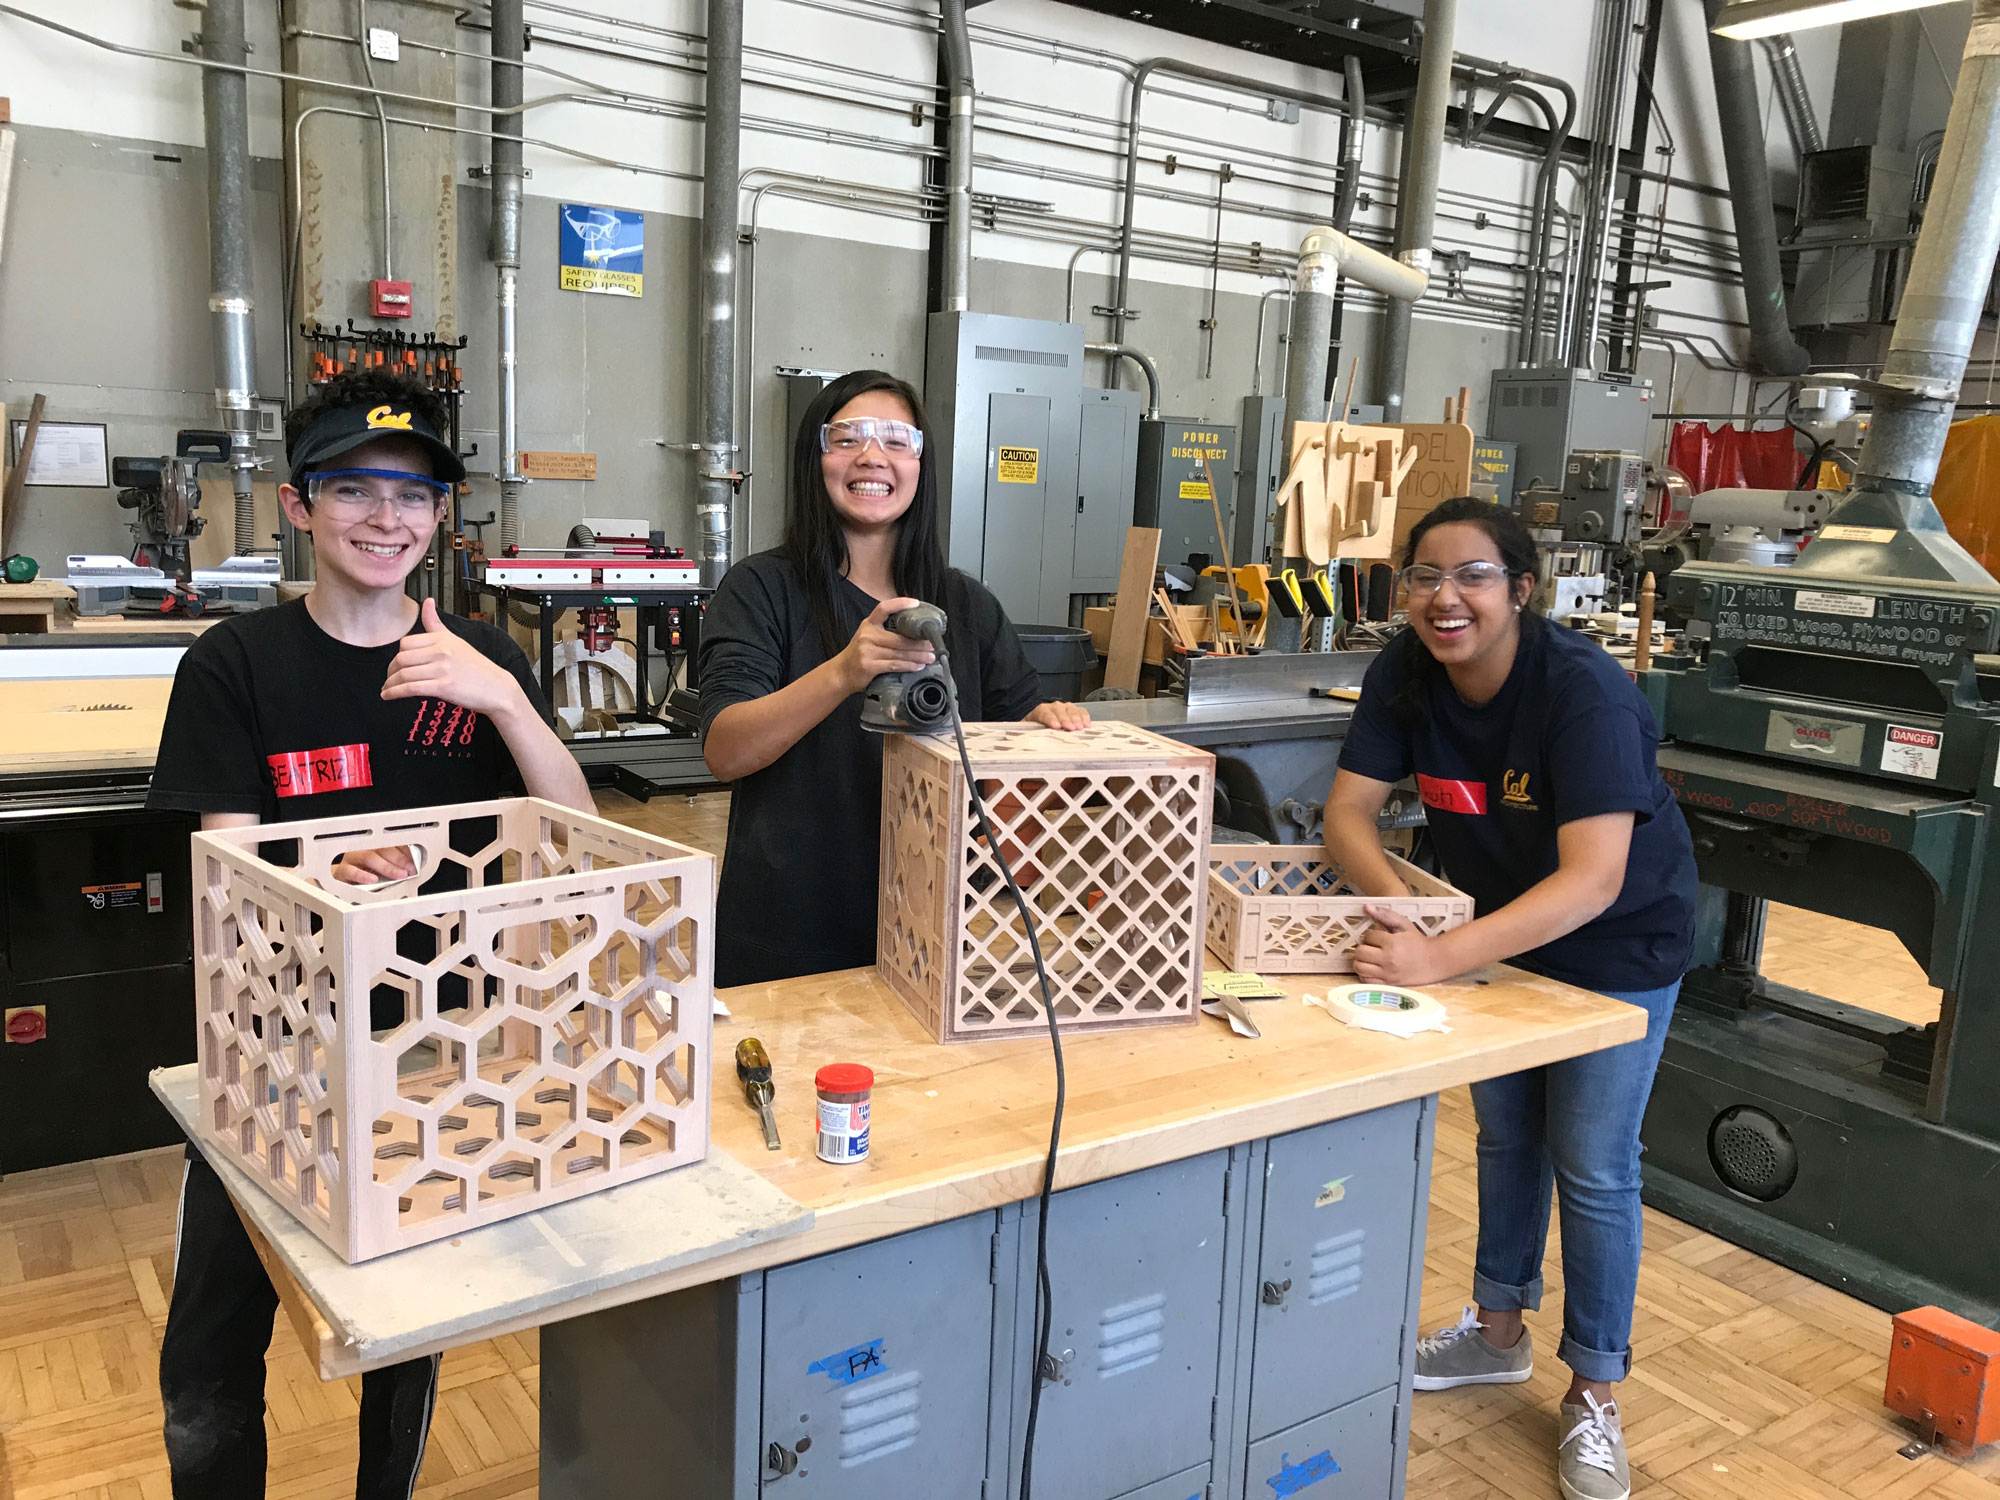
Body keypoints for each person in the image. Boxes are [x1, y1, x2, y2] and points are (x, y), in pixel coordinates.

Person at [147, 370, 590, 1497]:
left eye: (414, 495)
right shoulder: (234, 666)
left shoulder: (477, 659)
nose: (387, 517)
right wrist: (324, 875)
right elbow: (230, 876)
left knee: (405, 1330)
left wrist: (505, 701)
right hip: (271, 1045)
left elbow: (573, 832)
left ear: (441, 517)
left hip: (433, 1046)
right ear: (300, 505)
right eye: (355, 488)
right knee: (208, 1348)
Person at [1322, 496, 1696, 1500]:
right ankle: (1495, 1331)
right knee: (1503, 1134)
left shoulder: (1580, 693)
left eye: (1472, 576)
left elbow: (1592, 881)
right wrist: (1412, 916)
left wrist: (1439, 959)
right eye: (1423, 578)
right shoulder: (1405, 670)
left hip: (1617, 941)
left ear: (1519, 590)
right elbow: (1346, 813)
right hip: (1498, 932)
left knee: (1592, 1161)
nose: (1445, 599)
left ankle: (1595, 1395)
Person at [698, 368, 1088, 985]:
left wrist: (1042, 733)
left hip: (941, 924)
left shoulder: (969, 607)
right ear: (816, 458)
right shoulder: (763, 589)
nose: (873, 456)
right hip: (790, 928)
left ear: (921, 465)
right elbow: (725, 750)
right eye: (848, 437)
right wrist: (843, 672)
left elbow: (1013, 768)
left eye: (897, 440)